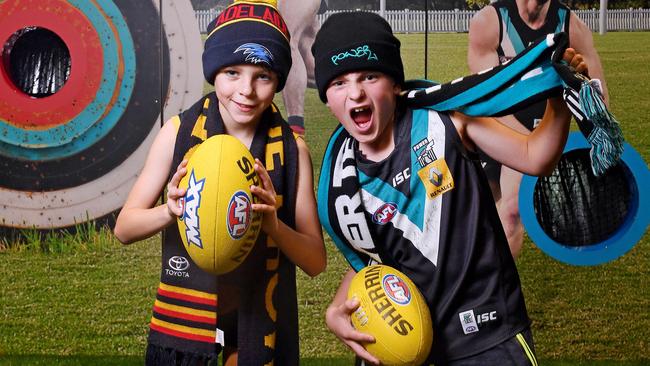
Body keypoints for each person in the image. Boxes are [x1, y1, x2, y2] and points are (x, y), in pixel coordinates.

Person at [312, 11, 588, 365]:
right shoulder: (343, 178)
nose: (355, 93)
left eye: (370, 76)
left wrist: (557, 96)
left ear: (395, 82)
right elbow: (375, 259)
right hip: (408, 349)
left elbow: (535, 156)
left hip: (489, 337)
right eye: (339, 83)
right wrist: (335, 309)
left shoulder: (446, 121)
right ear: (327, 96)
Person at [114, 1, 326, 365]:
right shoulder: (179, 132)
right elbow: (124, 228)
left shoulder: (294, 152)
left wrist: (273, 225)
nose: (246, 90)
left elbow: (315, 261)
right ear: (214, 72)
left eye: (262, 76)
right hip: (188, 331)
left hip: (260, 327)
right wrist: (170, 210)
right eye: (232, 72)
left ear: (277, 80)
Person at [467, 0, 609, 258]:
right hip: (495, 125)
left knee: (511, 211)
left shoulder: (573, 27)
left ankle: (493, 291)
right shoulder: (489, 22)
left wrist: (581, 84)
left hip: (541, 134)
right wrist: (528, 145)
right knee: (474, 209)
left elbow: (598, 99)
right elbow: (487, 95)